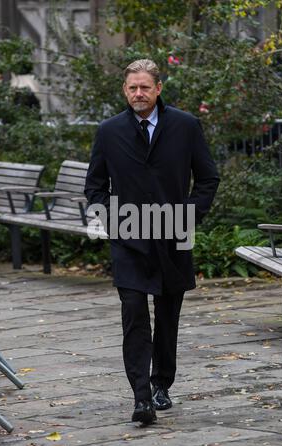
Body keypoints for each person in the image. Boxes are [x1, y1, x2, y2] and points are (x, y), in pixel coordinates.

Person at [84, 59, 220, 425]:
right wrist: (111, 222)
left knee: (168, 315)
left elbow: (207, 179)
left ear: (158, 88)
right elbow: (95, 187)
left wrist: (188, 216)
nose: (138, 94)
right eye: (132, 88)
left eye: (145, 87)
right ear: (125, 91)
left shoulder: (185, 126)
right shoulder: (109, 131)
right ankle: (141, 396)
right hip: (128, 239)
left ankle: (162, 384)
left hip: (173, 237)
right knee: (133, 314)